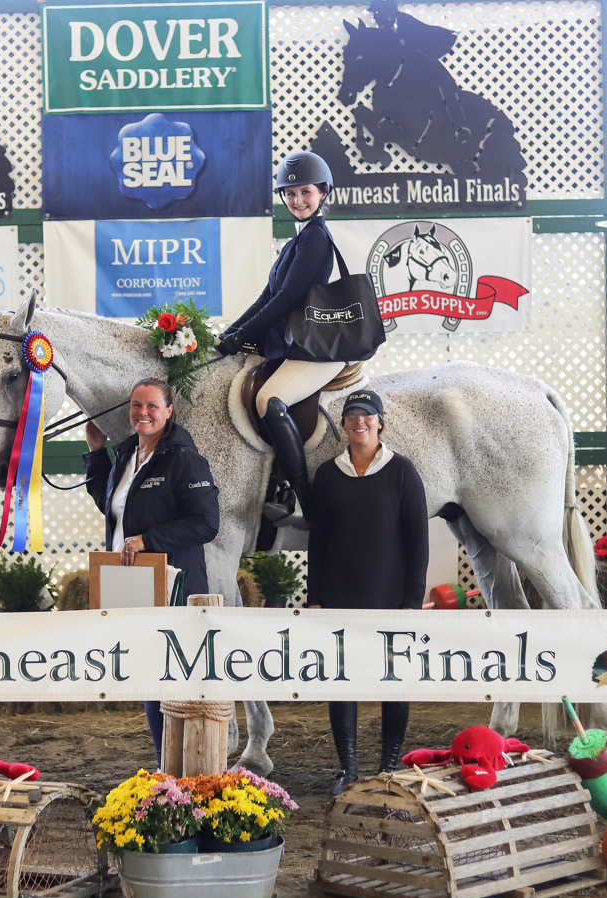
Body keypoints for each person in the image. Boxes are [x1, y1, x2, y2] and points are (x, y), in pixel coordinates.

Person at [83, 378, 221, 767]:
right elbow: (112, 507)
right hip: (132, 582)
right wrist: (96, 453)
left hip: (173, 582)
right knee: (150, 675)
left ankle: (188, 767)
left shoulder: (184, 459)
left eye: (152, 406)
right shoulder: (128, 452)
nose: (142, 413)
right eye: (136, 405)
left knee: (174, 677)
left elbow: (207, 524)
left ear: (169, 411)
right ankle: (165, 766)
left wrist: (149, 539)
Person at [306, 390, 429, 795]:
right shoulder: (327, 475)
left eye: (368, 414)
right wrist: (314, 597)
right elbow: (318, 542)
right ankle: (348, 769)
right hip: (338, 598)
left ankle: (389, 767)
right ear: (344, 424)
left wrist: (412, 601)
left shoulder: (402, 472)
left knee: (394, 682)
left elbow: (418, 540)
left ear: (380, 422)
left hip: (390, 599)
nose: (360, 421)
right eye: (353, 414)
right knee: (342, 682)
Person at [215, 150, 342, 528]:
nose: (297, 200)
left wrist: (242, 336)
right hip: (294, 344)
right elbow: (266, 296)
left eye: (305, 192)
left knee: (269, 400)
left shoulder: (316, 238)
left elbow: (286, 299)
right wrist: (230, 334)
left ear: (322, 193)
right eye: (290, 193)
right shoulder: (296, 242)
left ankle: (303, 500)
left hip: (316, 348)